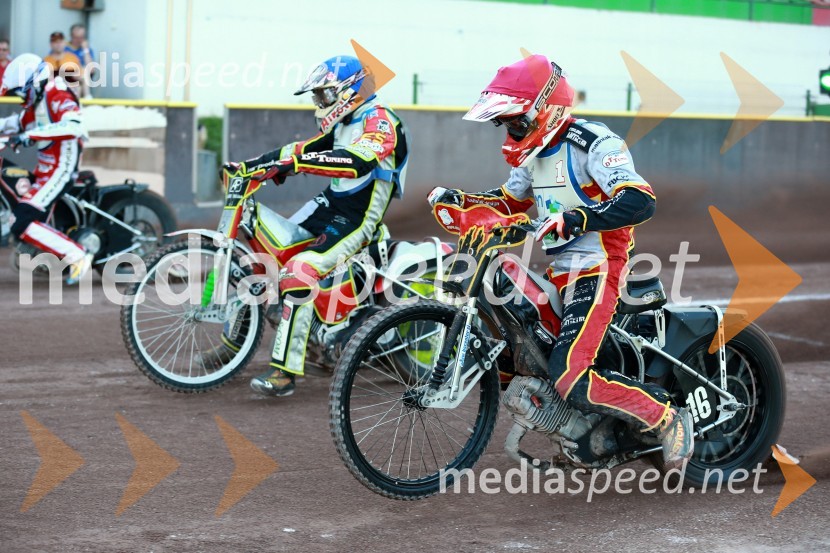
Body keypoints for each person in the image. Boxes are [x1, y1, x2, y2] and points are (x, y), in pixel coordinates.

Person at [427, 54, 693, 470]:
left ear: (545, 111)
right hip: (560, 271)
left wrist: (579, 217)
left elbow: (641, 198)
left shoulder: (593, 143)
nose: (511, 132)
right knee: (519, 353)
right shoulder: (530, 157)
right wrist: (464, 200)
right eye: (506, 124)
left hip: (602, 265)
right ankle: (575, 428)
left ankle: (666, 415)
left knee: (570, 373)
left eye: (517, 122)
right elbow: (508, 202)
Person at [220, 55, 408, 397]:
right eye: (316, 97)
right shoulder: (343, 122)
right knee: (270, 253)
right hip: (328, 207)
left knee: (298, 271)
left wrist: (296, 164)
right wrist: (249, 166)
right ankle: (255, 340)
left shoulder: (380, 120)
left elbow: (355, 162)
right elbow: (301, 149)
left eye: (323, 95)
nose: (318, 103)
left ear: (348, 91)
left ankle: (285, 372)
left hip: (358, 218)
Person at [0, 53, 92, 284]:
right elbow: (15, 123)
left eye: (21, 93)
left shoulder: (57, 93)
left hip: (61, 168)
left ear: (34, 82)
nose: (20, 99)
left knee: (21, 220)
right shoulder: (38, 101)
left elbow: (75, 125)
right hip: (46, 168)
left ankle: (77, 255)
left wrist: (28, 136)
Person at [65, 24, 94, 98]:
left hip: (81, 80)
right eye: (76, 37)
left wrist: (85, 50)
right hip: (67, 77)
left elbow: (91, 69)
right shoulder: (64, 48)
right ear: (71, 36)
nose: (79, 40)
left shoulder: (87, 50)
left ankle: (83, 101)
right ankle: (87, 97)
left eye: (81, 37)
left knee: (80, 85)